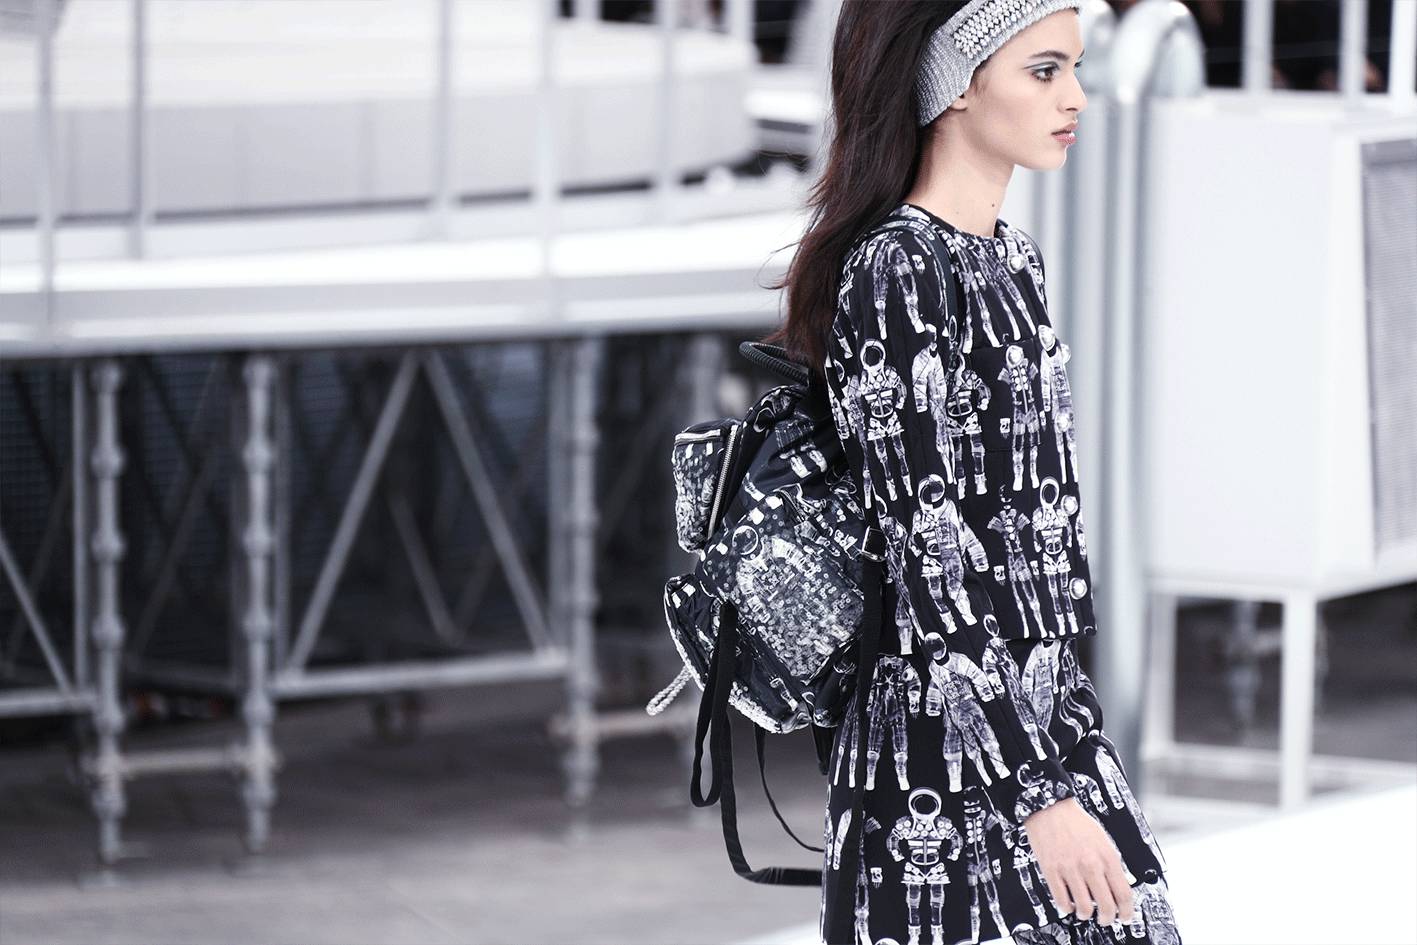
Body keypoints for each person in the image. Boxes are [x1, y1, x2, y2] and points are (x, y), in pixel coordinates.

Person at [760, 2, 1181, 943]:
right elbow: (928, 559)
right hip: (930, 748)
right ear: (953, 83)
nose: (1075, 98)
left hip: (1042, 725)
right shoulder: (895, 271)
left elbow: (1040, 541)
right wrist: (1041, 797)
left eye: (1074, 68)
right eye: (1043, 70)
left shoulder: (1012, 260)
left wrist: (1069, 743)